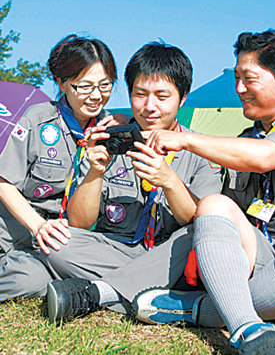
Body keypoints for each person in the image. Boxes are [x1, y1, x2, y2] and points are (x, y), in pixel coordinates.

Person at [132, 30, 275, 355]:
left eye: (248, 79)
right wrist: (167, 179)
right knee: (214, 204)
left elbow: (265, 158)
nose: (239, 89)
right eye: (236, 78)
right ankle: (246, 327)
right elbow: (219, 225)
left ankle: (201, 310)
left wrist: (186, 139)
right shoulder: (245, 139)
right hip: (265, 269)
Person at [43, 41, 222, 322]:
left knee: (196, 236)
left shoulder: (199, 152)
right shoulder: (110, 140)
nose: (149, 107)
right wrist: (95, 173)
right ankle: (161, 298)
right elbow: (78, 223)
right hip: (118, 251)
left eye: (162, 96)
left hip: (169, 254)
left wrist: (170, 182)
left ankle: (101, 293)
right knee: (58, 243)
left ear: (183, 97)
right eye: (140, 95)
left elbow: (195, 219)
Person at [0, 34, 117, 301]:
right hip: (13, 231)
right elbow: (3, 182)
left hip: (59, 243)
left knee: (36, 281)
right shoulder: (38, 120)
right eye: (84, 86)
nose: (96, 96)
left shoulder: (111, 131)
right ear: (62, 84)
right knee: (30, 281)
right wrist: (38, 226)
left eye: (105, 85)